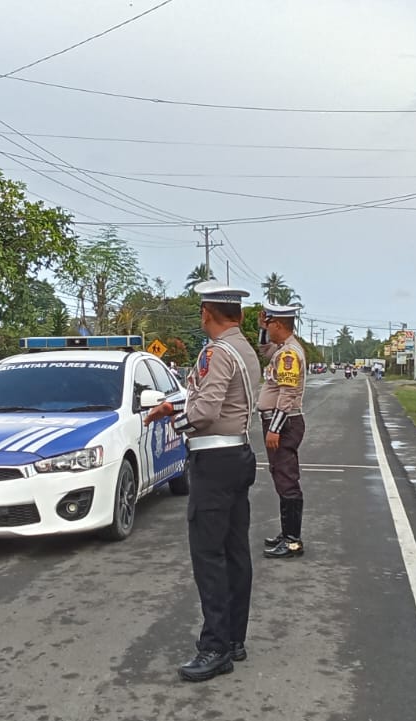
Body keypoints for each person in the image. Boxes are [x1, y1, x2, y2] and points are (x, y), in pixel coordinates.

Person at [144, 281, 261, 683]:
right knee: (234, 551)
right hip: (239, 454)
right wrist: (172, 403)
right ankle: (234, 640)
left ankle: (214, 648)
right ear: (240, 316)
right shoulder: (244, 349)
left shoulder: (215, 351)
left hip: (213, 459)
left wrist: (174, 421)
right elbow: (211, 397)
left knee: (208, 556)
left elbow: (206, 411)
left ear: (206, 314)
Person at [257, 303, 308, 559]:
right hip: (282, 422)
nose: (268, 328)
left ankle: (292, 540)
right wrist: (261, 330)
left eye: (269, 324)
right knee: (281, 476)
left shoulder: (289, 355)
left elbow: (287, 396)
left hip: (284, 423)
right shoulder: (282, 350)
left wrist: (274, 429)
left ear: (278, 324)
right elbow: (265, 351)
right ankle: (287, 533)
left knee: (287, 479)